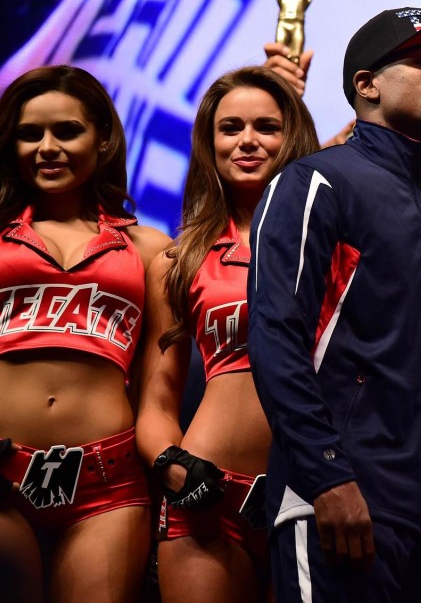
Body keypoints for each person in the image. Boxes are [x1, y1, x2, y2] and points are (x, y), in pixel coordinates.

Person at [246, 7, 421, 602]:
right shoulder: (315, 182)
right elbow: (274, 336)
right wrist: (326, 475)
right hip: (340, 502)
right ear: (367, 85)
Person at [135, 66, 319, 602]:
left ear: (294, 138)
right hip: (209, 498)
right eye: (230, 127)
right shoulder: (178, 260)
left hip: (318, 494)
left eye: (267, 126)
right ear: (209, 143)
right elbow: (157, 402)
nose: (247, 141)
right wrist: (173, 466)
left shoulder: (338, 246)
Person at [0, 65, 170, 602]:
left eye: (66, 131)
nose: (47, 147)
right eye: (30, 134)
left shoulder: (149, 249)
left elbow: (156, 384)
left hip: (107, 484)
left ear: (102, 139)